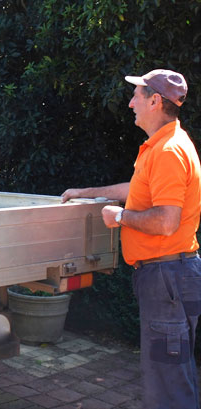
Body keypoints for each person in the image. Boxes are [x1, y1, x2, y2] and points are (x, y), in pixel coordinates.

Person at [62, 69, 201, 409]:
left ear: (155, 101)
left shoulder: (168, 151)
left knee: (168, 381)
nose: (130, 103)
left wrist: (120, 218)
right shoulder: (162, 146)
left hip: (167, 276)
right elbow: (135, 191)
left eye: (136, 96)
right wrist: (87, 193)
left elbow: (167, 222)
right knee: (174, 373)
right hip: (173, 276)